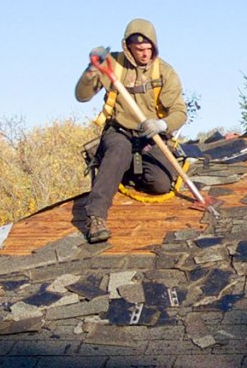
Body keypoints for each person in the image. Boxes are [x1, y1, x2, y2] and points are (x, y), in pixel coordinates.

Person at [75, 18, 188, 243]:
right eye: (139, 49)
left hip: (150, 136)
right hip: (120, 131)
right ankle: (96, 217)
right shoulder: (113, 65)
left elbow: (180, 112)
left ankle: (123, 171)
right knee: (117, 152)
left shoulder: (164, 72)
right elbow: (82, 96)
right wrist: (90, 73)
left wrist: (161, 125)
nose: (144, 54)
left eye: (148, 49)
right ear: (128, 47)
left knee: (161, 184)